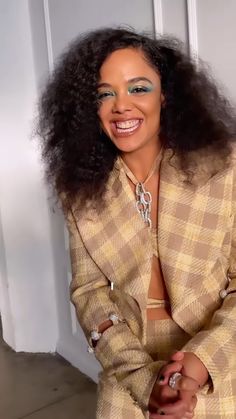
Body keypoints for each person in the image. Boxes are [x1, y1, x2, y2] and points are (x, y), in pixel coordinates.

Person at [38, 27, 236, 418]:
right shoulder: (80, 189)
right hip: (129, 372)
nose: (121, 106)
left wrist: (198, 366)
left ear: (165, 94)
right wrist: (145, 381)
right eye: (104, 93)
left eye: (138, 88)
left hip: (219, 363)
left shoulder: (224, 169)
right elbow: (89, 293)